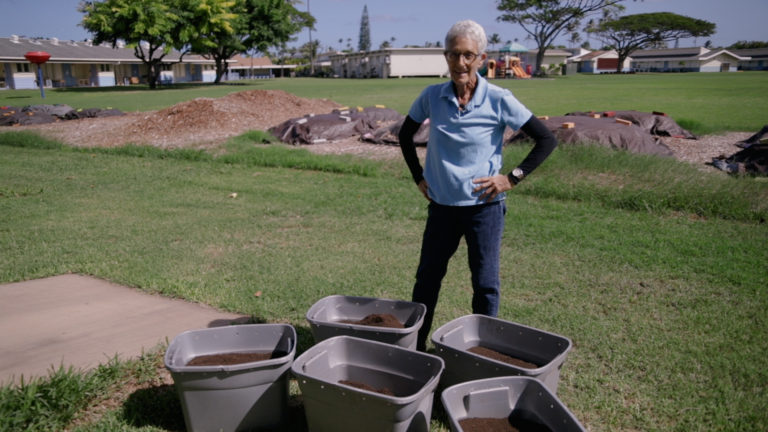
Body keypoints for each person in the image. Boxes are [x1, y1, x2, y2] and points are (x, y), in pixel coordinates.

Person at [399, 20, 558, 351]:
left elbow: (545, 139)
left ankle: (483, 354)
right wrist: (418, 176)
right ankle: (415, 351)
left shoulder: (499, 99)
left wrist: (511, 177)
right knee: (427, 280)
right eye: (454, 55)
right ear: (446, 56)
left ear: (481, 58)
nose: (460, 63)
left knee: (485, 285)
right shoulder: (432, 97)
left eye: (468, 55)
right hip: (442, 207)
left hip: (484, 209)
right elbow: (405, 134)